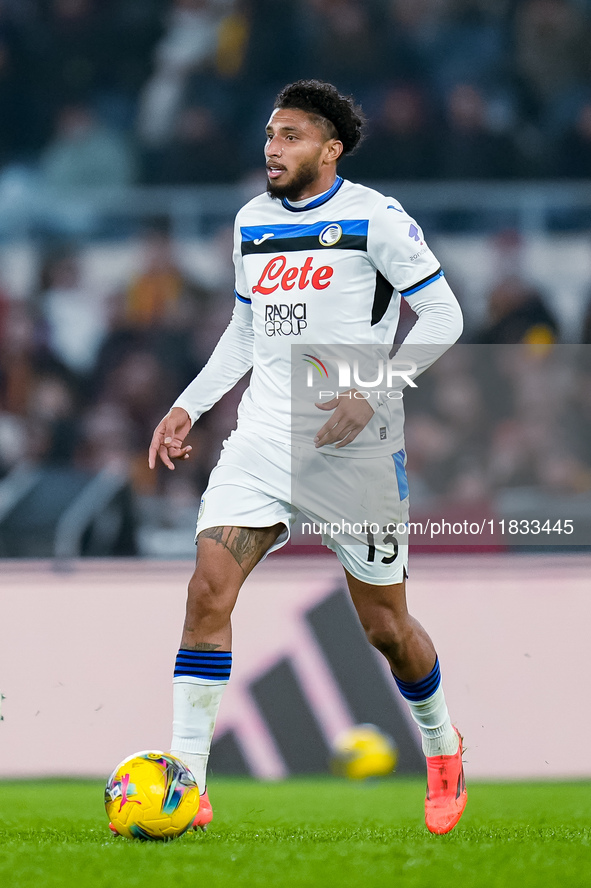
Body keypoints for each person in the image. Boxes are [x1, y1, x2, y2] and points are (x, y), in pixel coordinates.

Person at [148, 80, 466, 835]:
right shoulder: (252, 221)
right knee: (206, 594)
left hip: (352, 448)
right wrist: (188, 403)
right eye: (268, 134)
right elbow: (245, 333)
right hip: (260, 441)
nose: (271, 147)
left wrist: (371, 387)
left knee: (386, 628)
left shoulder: (376, 218)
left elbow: (445, 315)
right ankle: (185, 779)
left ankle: (442, 745)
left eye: (290, 136)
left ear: (329, 148)